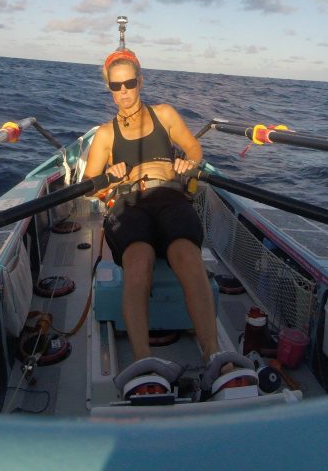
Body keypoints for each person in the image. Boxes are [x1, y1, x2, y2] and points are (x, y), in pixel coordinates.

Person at [84, 47, 255, 400]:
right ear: (110, 90)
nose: (124, 92)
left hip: (170, 197)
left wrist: (186, 166)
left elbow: (194, 152)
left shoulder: (165, 115)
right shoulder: (104, 135)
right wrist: (109, 178)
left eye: (130, 83)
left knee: (186, 255)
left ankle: (214, 356)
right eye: (116, 87)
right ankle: (145, 362)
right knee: (138, 258)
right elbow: (89, 186)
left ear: (141, 81)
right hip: (128, 202)